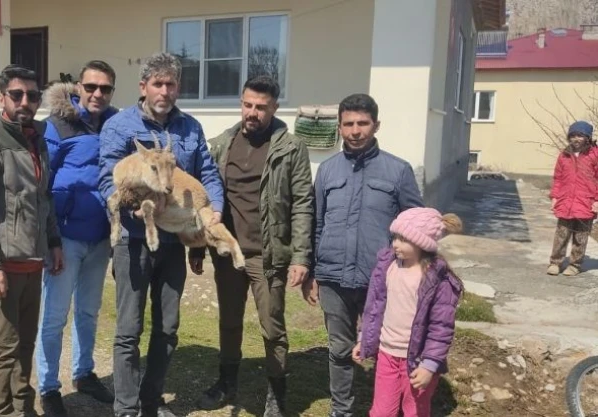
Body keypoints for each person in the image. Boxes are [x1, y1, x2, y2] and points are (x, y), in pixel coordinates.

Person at [98, 52, 224, 417]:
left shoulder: (190, 128)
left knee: (167, 329)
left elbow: (207, 172)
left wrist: (214, 208)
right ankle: (126, 409)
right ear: (143, 86)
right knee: (129, 329)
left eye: (171, 84)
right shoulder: (121, 127)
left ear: (178, 88)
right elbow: (108, 178)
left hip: (173, 243)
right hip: (133, 241)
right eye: (158, 84)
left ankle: (150, 403)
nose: (164, 91)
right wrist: (132, 207)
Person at [190, 75, 314, 416]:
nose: (252, 112)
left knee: (272, 328)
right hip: (228, 253)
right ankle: (227, 382)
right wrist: (198, 246)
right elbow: (204, 200)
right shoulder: (221, 144)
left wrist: (301, 257)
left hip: (268, 256)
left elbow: (303, 204)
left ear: (274, 108)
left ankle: (276, 395)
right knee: (229, 322)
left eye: (261, 107)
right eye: (247, 105)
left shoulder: (291, 148)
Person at [303, 93, 423, 417]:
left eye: (362, 123)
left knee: (389, 350)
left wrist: (413, 273)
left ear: (376, 125)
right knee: (339, 349)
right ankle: (341, 410)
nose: (355, 131)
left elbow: (415, 227)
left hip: (382, 280)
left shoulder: (398, 171)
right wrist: (312, 270)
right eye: (348, 124)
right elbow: (316, 223)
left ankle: (386, 407)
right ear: (339, 127)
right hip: (333, 278)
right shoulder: (327, 171)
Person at [0, 64, 63, 417]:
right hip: (2, 269)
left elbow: (44, 198)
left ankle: (23, 409)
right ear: (1, 98)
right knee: (2, 351)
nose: (25, 102)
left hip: (33, 266)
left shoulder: (38, 141)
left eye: (32, 95)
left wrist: (54, 242)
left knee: (25, 347)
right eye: (16, 94)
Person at [35, 60, 119, 417]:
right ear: (78, 88)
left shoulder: (115, 125)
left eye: (105, 88)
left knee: (88, 311)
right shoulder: (57, 125)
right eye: (91, 87)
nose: (97, 93)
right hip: (65, 239)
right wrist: (50, 238)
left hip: (99, 237)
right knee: (54, 316)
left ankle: (84, 373)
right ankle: (48, 386)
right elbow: (42, 182)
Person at [353, 208, 463, 417]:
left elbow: (441, 328)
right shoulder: (387, 266)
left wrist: (429, 366)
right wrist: (364, 338)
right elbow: (374, 307)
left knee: (414, 412)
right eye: (395, 237)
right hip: (386, 354)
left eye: (403, 239)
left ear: (421, 243)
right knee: (382, 412)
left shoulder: (437, 279)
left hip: (417, 360)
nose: (395, 244)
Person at [547, 120, 598, 276]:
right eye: (573, 135)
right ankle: (555, 262)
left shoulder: (594, 155)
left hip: (586, 202)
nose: (576, 139)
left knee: (580, 237)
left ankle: (575, 265)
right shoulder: (564, 155)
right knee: (561, 235)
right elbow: (558, 178)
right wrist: (555, 197)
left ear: (588, 138)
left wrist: (597, 200)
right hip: (565, 202)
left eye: (580, 136)